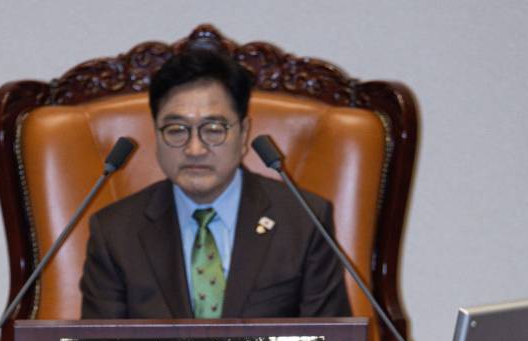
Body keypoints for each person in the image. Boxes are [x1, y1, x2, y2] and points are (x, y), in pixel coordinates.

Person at [80, 46, 351, 322]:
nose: (195, 149)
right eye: (176, 130)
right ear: (156, 135)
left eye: (213, 130)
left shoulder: (305, 221)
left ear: (244, 133)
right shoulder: (114, 233)